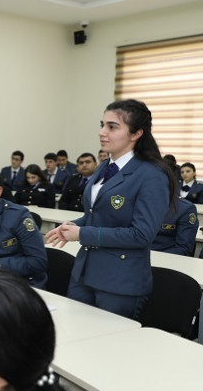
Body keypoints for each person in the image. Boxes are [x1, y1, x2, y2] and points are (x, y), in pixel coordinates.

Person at [46, 99, 175, 319]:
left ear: (136, 134)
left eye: (112, 127)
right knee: (75, 337)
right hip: (85, 272)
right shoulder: (106, 166)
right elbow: (96, 215)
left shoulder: (151, 174)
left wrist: (83, 233)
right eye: (102, 125)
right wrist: (73, 226)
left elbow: (142, 234)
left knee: (108, 348)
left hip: (119, 281)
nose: (102, 132)